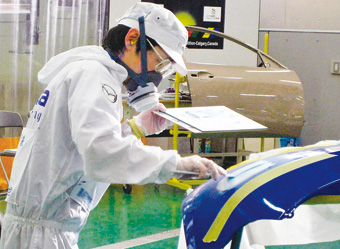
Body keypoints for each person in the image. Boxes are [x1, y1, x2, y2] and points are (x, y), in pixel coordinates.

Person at [0, 2, 226, 249]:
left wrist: (135, 128)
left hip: (43, 228)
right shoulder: (95, 75)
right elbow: (100, 154)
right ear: (132, 39)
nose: (158, 76)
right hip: (41, 236)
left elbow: (78, 145)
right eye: (160, 63)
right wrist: (177, 165)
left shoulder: (91, 71)